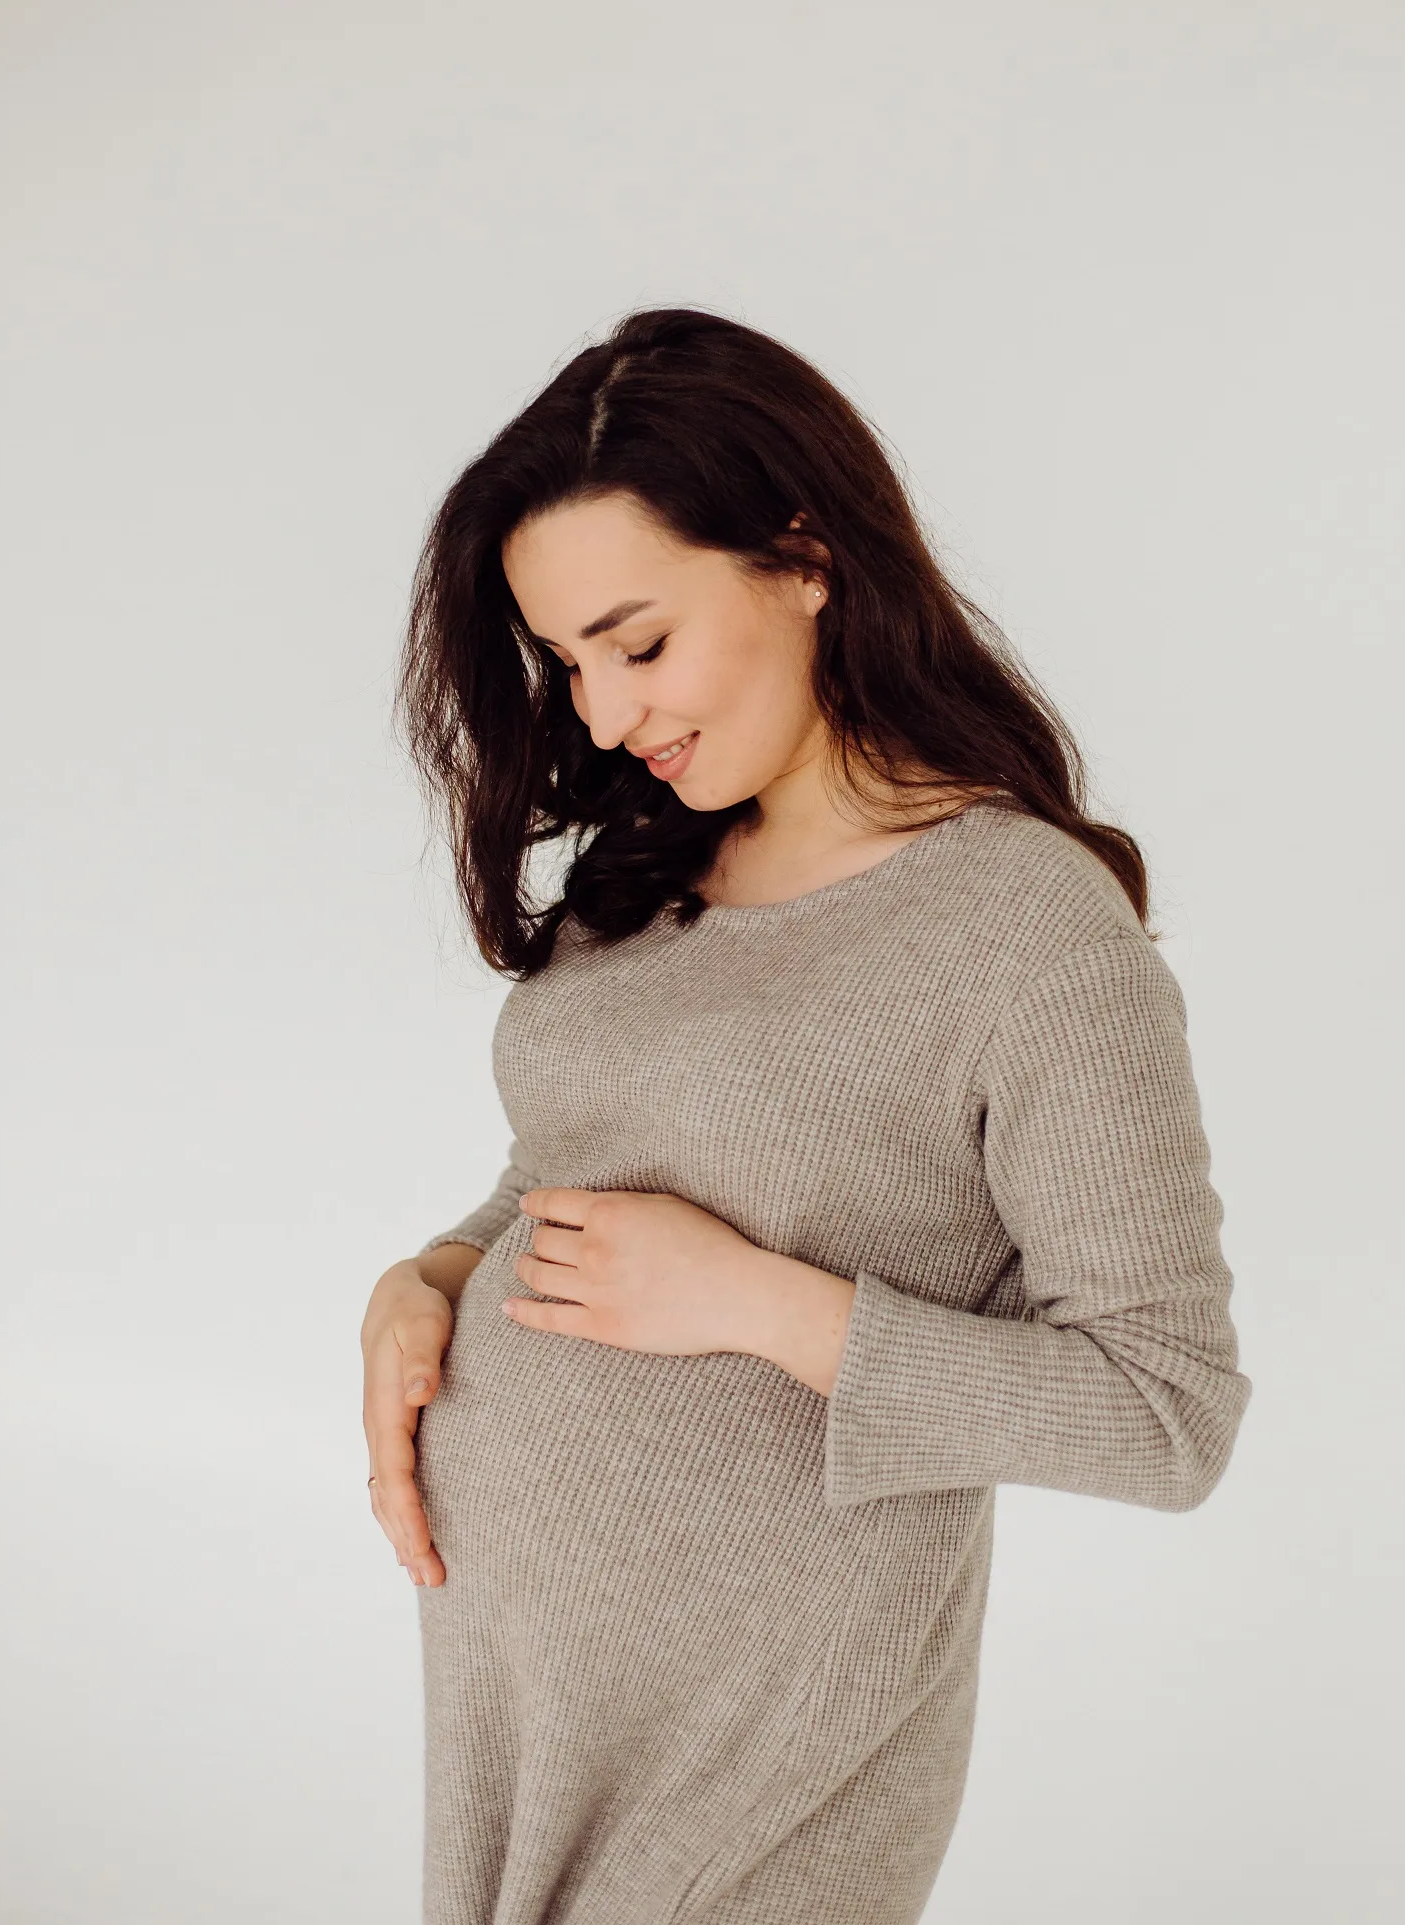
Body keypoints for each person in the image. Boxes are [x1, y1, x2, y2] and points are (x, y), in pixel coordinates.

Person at [359, 307, 1252, 1925]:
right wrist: (430, 1273)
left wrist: (765, 1308)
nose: (608, 714)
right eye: (568, 666)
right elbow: (571, 1167)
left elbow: (1168, 1412)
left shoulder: (1023, 929)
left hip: (768, 1771)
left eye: (639, 643)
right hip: (519, 1719)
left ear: (804, 556)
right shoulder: (646, 881)